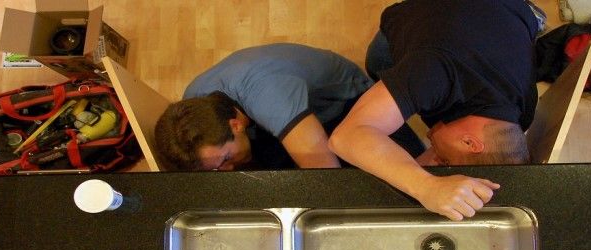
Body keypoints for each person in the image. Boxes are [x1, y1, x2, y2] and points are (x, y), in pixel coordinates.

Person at [329, 0, 539, 221]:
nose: (436, 159)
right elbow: (346, 136)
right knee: (378, 60)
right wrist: (427, 186)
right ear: (470, 143)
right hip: (429, 10)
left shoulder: (523, 111)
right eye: (445, 161)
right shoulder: (432, 72)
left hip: (507, 11)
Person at [155, 43, 423, 171]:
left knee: (410, 169)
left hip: (344, 102)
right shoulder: (194, 100)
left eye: (225, 160)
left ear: (235, 125)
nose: (226, 170)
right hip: (284, 110)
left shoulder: (270, 98)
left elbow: (326, 175)